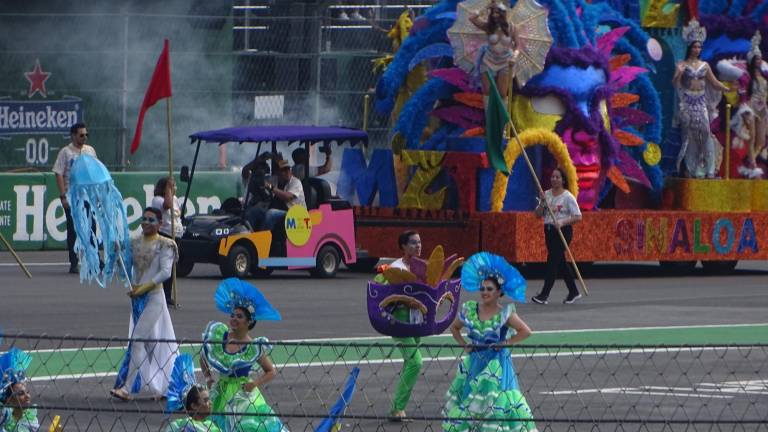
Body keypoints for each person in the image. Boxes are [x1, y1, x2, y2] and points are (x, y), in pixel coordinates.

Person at [443, 252, 537, 432]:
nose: (484, 292)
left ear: (499, 292)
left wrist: (506, 343)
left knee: (497, 404)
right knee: (473, 403)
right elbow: (454, 328)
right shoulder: (470, 309)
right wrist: (465, 345)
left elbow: (526, 331)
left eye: (489, 289)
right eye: (483, 288)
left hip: (498, 366)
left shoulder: (505, 313)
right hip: (476, 363)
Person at [200, 278, 286, 431]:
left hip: (244, 397)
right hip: (220, 393)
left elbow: (271, 371)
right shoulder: (220, 336)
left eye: (239, 316)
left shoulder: (252, 347)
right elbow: (203, 357)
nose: (234, 319)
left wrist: (254, 384)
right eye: (233, 315)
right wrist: (208, 379)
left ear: (248, 322)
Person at [111, 207, 179, 401]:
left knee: (138, 339)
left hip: (154, 298)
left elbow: (166, 272)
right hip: (137, 300)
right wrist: (117, 254)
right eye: (144, 219)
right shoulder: (134, 242)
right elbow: (125, 269)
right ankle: (168, 386)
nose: (147, 223)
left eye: (151, 220)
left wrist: (144, 288)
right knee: (151, 344)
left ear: (159, 224)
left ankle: (127, 388)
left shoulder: (165, 245)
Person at [673, 19, 730, 179]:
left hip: (701, 102)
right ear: (689, 47)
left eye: (699, 47)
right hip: (687, 103)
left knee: (705, 133)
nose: (697, 49)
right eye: (694, 46)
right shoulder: (682, 64)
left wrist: (726, 88)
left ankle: (708, 167)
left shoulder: (705, 65)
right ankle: (692, 169)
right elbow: (675, 84)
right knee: (690, 136)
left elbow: (714, 82)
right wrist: (678, 73)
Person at [386, 230, 423, 421]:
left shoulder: (423, 268)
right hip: (399, 321)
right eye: (413, 243)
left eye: (419, 242)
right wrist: (408, 300)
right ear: (403, 246)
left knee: (411, 363)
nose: (418, 246)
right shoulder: (396, 268)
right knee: (416, 362)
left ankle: (398, 407)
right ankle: (396, 409)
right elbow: (388, 297)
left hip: (416, 320)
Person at [531, 168, 583, 305]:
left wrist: (562, 221)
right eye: (553, 177)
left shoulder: (567, 197)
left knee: (552, 261)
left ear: (563, 180)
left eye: (557, 177)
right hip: (549, 231)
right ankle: (574, 291)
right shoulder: (546, 194)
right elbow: (537, 214)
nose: (554, 179)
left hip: (563, 231)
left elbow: (578, 216)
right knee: (560, 262)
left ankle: (544, 294)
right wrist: (542, 202)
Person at [53, 122, 98, 274]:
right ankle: (74, 261)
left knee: (91, 227)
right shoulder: (66, 152)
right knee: (73, 229)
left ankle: (94, 259)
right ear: (73, 136)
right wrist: (63, 196)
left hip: (88, 195)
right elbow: (58, 173)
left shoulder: (90, 151)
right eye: (81, 135)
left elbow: (95, 171)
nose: (84, 137)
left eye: (86, 134)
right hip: (72, 196)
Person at [470, 0, 520, 98]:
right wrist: (486, 7)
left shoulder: (513, 28)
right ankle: (489, 113)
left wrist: (514, 57)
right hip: (488, 61)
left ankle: (501, 113)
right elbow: (472, 18)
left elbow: (518, 46)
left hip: (505, 62)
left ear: (503, 13)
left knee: (502, 93)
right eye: (492, 12)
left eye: (497, 12)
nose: (494, 15)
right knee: (488, 93)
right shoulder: (488, 27)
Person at [165, 354, 221, 432]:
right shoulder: (184, 425)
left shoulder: (177, 425)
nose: (211, 402)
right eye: (206, 400)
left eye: (209, 399)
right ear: (194, 406)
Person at [151, 176, 184, 306]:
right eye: (171, 186)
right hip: (165, 234)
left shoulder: (174, 198)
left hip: (176, 234)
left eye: (174, 185)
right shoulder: (157, 200)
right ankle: (161, 295)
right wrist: (168, 190)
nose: (174, 188)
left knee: (172, 266)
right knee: (165, 267)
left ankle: (167, 295)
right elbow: (167, 205)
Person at [0, 348, 40, 432]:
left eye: (27, 392)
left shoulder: (30, 418)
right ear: (9, 399)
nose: (27, 396)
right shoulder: (3, 417)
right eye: (21, 393)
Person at [262, 159, 306, 231]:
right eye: (284, 170)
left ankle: (265, 238)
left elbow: (287, 197)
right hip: (282, 211)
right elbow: (263, 181)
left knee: (270, 213)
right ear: (277, 172)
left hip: (296, 215)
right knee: (256, 211)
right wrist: (259, 180)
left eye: (288, 169)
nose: (287, 172)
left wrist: (270, 187)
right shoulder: (275, 180)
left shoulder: (296, 182)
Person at [747, 32, 767, 162]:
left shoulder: (764, 77)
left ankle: (752, 159)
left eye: (760, 58)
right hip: (751, 108)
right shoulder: (747, 76)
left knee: (761, 139)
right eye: (756, 59)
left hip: (763, 109)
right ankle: (752, 164)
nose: (759, 61)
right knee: (752, 137)